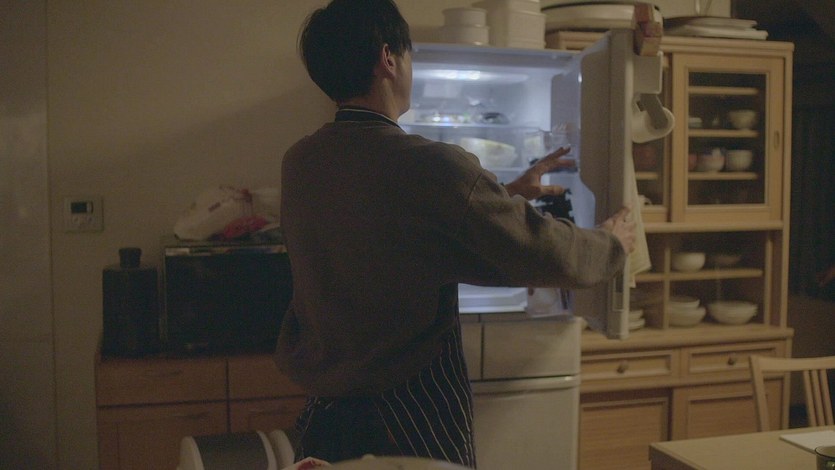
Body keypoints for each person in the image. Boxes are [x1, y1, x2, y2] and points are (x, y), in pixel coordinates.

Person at [274, 0, 636, 467]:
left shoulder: (301, 161)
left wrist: (506, 193)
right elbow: (539, 253)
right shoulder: (431, 166)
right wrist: (611, 242)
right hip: (411, 412)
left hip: (328, 411)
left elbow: (390, 231)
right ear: (388, 59)